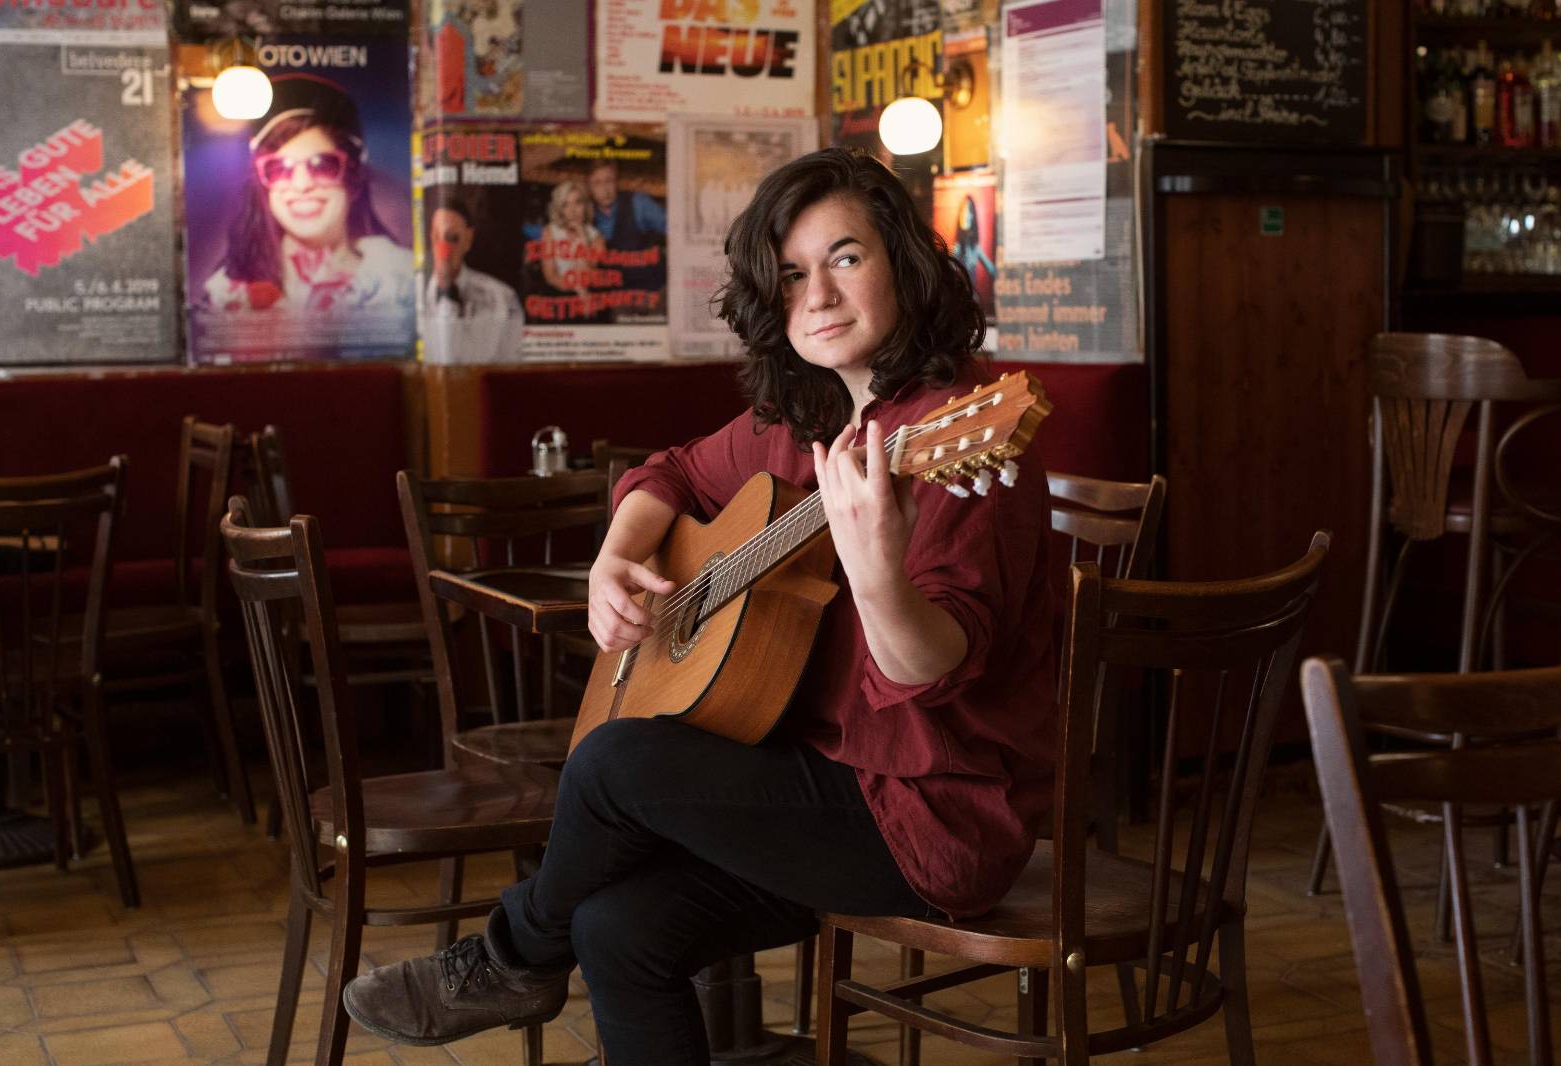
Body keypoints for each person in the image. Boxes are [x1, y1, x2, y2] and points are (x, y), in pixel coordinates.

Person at [341, 147, 1058, 1065]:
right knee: (616, 929)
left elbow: (932, 668)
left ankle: (511, 956)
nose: (820, 295)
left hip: (927, 821)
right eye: (793, 273)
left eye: (846, 258)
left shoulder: (954, 441)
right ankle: (539, 948)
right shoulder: (803, 423)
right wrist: (616, 556)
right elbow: (670, 471)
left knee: (615, 762)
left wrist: (876, 567)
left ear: (905, 265)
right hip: (814, 784)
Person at [201, 74, 414, 319]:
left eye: (322, 165)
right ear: (263, 186)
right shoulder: (224, 295)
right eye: (279, 169)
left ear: (353, 178)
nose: (302, 185)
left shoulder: (400, 282)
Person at [420, 194, 522, 364]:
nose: (443, 248)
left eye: (453, 238)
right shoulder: (410, 296)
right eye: (437, 236)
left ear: (468, 239)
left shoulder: (502, 297)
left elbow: (513, 362)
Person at [586, 156, 667, 300]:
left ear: (616, 181)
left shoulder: (638, 203)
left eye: (609, 181)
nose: (605, 189)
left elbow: (675, 229)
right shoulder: (586, 216)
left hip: (651, 291)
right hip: (615, 298)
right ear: (590, 187)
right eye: (597, 183)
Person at [538, 178, 605, 304]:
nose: (572, 210)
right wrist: (579, 290)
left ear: (586, 205)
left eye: (578, 203)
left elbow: (589, 278)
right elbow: (550, 277)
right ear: (560, 209)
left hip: (588, 298)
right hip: (558, 295)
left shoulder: (597, 238)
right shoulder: (550, 232)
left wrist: (584, 239)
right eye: (565, 205)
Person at [950, 193, 996, 311]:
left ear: (973, 216)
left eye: (969, 211)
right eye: (963, 211)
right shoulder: (956, 249)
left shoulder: (975, 249)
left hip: (972, 301)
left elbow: (992, 270)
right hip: (956, 303)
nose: (965, 216)